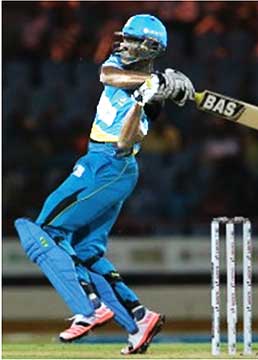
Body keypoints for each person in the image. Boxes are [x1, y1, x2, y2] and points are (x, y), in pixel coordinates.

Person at [14, 14, 195, 355]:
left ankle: (90, 306)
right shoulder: (121, 66)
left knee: (43, 232)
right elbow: (106, 74)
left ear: (149, 47)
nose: (122, 43)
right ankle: (139, 318)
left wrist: (148, 97)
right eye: (123, 37)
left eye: (130, 40)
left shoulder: (148, 100)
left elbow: (126, 144)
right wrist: (152, 81)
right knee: (86, 251)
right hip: (98, 163)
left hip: (111, 166)